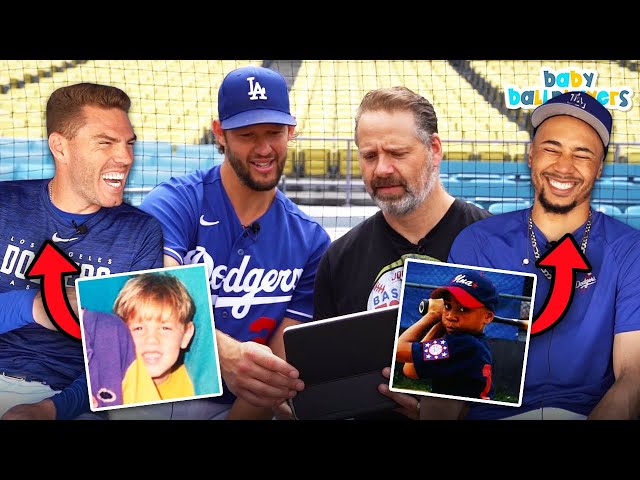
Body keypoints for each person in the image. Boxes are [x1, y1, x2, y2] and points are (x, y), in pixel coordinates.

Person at [133, 65, 332, 420]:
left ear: (292, 130)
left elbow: (270, 377)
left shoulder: (311, 240)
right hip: (153, 389)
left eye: (274, 132)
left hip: (237, 408)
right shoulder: (176, 201)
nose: (263, 148)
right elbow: (155, 292)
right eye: (246, 134)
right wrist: (216, 352)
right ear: (219, 133)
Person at [447, 91, 640, 420]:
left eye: (582, 154)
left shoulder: (629, 250)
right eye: (552, 149)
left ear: (599, 168)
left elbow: (632, 376)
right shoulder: (477, 243)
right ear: (531, 155)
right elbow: (454, 375)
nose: (564, 167)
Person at [311, 86, 492, 420]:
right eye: (369, 156)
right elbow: (328, 380)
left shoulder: (497, 244)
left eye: (397, 153)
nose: (381, 169)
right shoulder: (339, 260)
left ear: (434, 150)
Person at [0, 82, 164, 420]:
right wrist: (35, 306)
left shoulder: (141, 232)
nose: (125, 157)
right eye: (106, 143)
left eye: (128, 143)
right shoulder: (5, 205)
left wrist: (50, 410)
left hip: (69, 400)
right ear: (60, 147)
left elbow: (129, 355)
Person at [84, 272, 197, 410]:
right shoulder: (107, 379)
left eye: (165, 328)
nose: (151, 339)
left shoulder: (196, 386)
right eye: (138, 328)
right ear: (121, 335)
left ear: (186, 335)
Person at [395, 270, 497, 400]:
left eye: (463, 309)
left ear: (487, 316)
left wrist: (432, 315)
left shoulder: (464, 344)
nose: (450, 316)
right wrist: (441, 323)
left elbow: (398, 351)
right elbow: (411, 370)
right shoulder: (471, 342)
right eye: (448, 306)